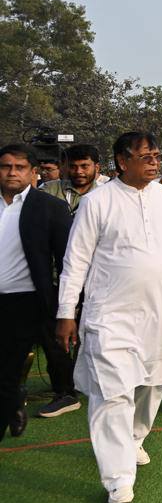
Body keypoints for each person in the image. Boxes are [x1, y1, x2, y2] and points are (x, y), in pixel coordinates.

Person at [55, 132, 162, 503]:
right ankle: (118, 478)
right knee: (112, 393)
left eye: (157, 156)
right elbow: (75, 261)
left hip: (158, 312)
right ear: (122, 161)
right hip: (109, 315)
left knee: (153, 383)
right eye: (146, 156)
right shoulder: (97, 202)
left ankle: (134, 439)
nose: (155, 162)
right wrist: (66, 312)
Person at [0, 144, 72, 439]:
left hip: (25, 302)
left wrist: (67, 307)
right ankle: (14, 401)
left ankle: (9, 404)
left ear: (33, 172)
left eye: (19, 167)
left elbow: (66, 260)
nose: (12, 172)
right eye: (6, 166)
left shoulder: (50, 207)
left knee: (7, 370)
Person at [39, 143, 105, 211]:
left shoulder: (104, 194)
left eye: (84, 166)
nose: (78, 171)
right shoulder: (50, 189)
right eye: (73, 167)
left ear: (96, 168)